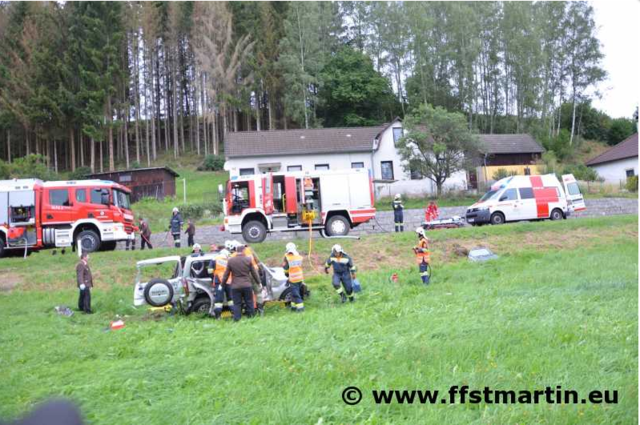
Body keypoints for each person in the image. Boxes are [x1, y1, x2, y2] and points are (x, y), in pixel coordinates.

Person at [221, 243, 261, 321]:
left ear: (236, 251)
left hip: (235, 286)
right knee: (249, 302)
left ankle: (237, 319)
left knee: (237, 304)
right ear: (243, 250)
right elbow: (254, 273)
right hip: (247, 285)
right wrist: (258, 282)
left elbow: (226, 274)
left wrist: (222, 284)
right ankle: (251, 318)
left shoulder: (231, 260)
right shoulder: (248, 260)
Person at [231, 241, 265, 316]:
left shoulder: (233, 255)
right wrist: (261, 272)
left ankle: (247, 311)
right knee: (258, 293)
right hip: (254, 273)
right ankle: (261, 311)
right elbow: (258, 261)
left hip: (244, 276)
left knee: (245, 294)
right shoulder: (250, 250)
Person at [208, 248, 231, 319]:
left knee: (218, 301)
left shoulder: (214, 259)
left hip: (218, 282)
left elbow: (209, 271)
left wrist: (213, 278)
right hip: (229, 281)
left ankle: (218, 316)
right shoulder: (229, 259)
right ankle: (234, 315)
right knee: (231, 299)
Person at [282, 242, 305, 312]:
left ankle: (301, 309)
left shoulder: (287, 257)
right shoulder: (299, 257)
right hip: (300, 278)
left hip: (293, 279)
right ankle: (293, 307)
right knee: (293, 294)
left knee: (296, 295)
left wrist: (286, 275)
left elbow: (286, 269)